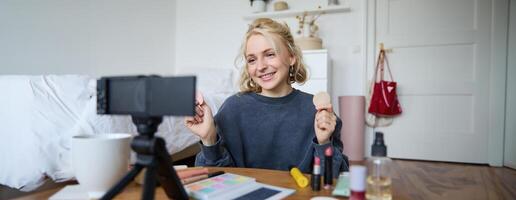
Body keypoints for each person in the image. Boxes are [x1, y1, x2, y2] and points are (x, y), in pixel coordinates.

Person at [184, 18, 349, 176]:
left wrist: (324, 143)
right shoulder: (232, 108)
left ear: (291, 56)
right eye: (252, 59)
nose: (261, 66)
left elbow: (336, 180)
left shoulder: (317, 112)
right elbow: (214, 179)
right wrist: (209, 138)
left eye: (270, 54)